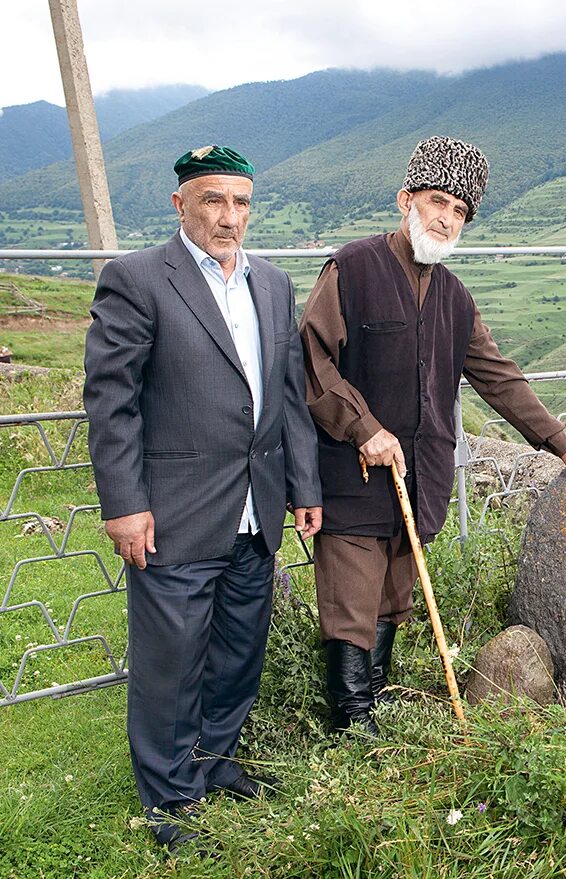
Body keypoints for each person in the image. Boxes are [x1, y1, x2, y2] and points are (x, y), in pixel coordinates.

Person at [300, 135, 566, 734]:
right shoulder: (352, 269)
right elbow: (313, 363)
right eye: (437, 200)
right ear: (405, 200)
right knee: (350, 600)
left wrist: (559, 440)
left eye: (460, 209)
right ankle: (349, 726)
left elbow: (497, 376)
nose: (446, 217)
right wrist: (363, 428)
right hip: (353, 473)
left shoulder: (454, 298)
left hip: (418, 476)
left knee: (392, 596)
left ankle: (374, 712)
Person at [84, 145, 322, 853]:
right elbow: (112, 399)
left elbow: (290, 397)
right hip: (175, 513)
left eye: (241, 202)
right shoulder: (136, 279)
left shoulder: (273, 285)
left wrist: (304, 485)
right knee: (171, 662)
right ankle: (168, 798)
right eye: (213, 199)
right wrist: (124, 502)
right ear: (180, 203)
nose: (228, 216)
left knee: (236, 653)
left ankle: (215, 764)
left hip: (255, 508)